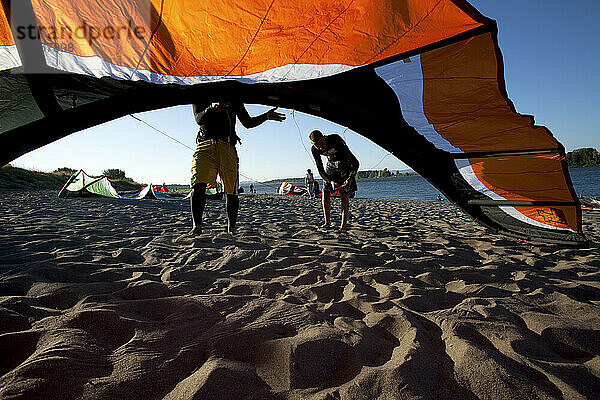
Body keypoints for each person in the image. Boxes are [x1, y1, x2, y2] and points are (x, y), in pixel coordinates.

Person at [190, 100, 285, 235]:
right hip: (205, 146)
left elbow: (248, 122)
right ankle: (197, 226)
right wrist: (211, 108)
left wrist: (266, 116)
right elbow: (199, 119)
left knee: (231, 190)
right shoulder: (200, 90)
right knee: (198, 185)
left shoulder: (233, 97)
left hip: (227, 146)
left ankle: (231, 229)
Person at [309, 129, 359, 231]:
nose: (321, 147)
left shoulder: (335, 140)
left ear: (324, 137)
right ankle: (327, 223)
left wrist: (350, 178)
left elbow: (355, 163)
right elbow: (320, 169)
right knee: (325, 192)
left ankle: (343, 226)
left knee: (344, 193)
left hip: (345, 164)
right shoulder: (315, 150)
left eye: (322, 144)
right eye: (317, 146)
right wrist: (330, 181)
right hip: (331, 166)